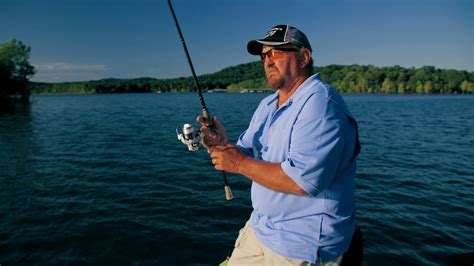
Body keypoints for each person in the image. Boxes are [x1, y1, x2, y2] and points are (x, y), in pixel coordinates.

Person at [197, 25, 362, 265]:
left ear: (304, 57)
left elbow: (301, 181)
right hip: (263, 227)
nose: (267, 61)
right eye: (264, 55)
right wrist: (221, 144)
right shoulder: (267, 104)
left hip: (301, 243)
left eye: (276, 53)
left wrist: (239, 163)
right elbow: (245, 152)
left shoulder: (320, 104)